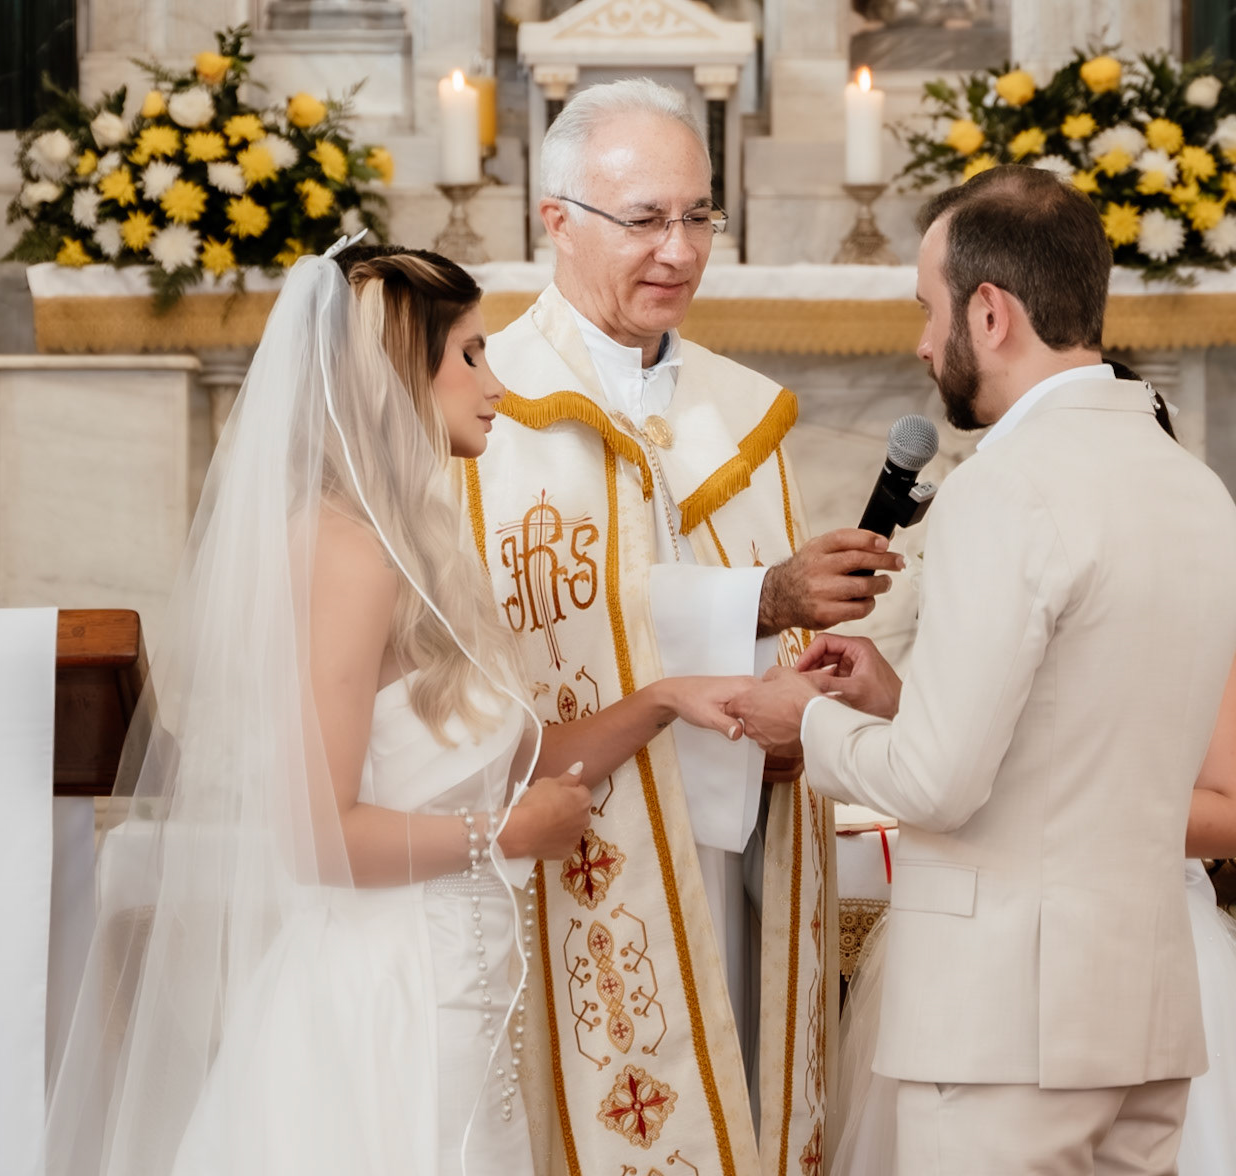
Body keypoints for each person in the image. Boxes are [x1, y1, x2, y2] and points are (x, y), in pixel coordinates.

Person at [43, 246, 755, 1176]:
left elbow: (518, 757)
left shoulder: (411, 545)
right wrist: (505, 836)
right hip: (389, 1003)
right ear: (396, 375)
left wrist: (663, 700)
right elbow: (317, 836)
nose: (497, 385)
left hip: (457, 988)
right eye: (470, 354)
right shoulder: (347, 553)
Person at [728, 164, 1236, 1175]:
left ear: (988, 311)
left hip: (1005, 1027)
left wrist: (807, 718)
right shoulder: (1196, 490)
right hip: (1144, 1014)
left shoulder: (1004, 487)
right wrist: (898, 698)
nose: (923, 343)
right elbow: (1082, 734)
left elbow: (938, 784)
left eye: (929, 312)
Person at [459, 77, 896, 1173]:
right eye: (645, 218)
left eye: (699, 215)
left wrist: (800, 702)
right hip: (581, 842)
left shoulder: (740, 412)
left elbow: (764, 626)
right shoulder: (485, 412)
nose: (680, 250)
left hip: (737, 841)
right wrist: (762, 599)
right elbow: (523, 637)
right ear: (556, 220)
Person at [828, 638, 1236, 1174]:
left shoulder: (1209, 639)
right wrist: (901, 702)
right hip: (986, 938)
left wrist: (1067, 800)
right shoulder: (1010, 617)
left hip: (1148, 942)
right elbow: (966, 757)